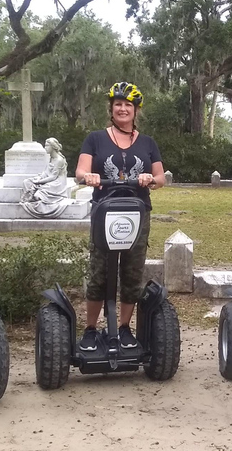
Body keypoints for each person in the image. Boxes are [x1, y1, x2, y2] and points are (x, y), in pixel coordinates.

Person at [74, 82, 166, 351]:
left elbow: (161, 178)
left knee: (132, 270)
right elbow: (80, 171)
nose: (123, 108)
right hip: (105, 212)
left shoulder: (148, 143)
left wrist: (151, 179)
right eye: (118, 104)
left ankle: (124, 328)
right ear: (111, 109)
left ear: (136, 110)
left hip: (138, 213)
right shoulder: (95, 138)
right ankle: (91, 329)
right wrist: (88, 176)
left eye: (128, 104)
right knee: (100, 271)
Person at [20, 137, 71, 218]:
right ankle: (32, 197)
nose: (45, 148)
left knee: (39, 194)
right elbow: (46, 172)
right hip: (48, 179)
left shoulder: (59, 160)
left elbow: (53, 177)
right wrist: (39, 178)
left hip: (57, 183)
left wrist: (39, 182)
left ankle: (36, 197)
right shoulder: (51, 158)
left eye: (47, 146)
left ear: (53, 147)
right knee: (27, 182)